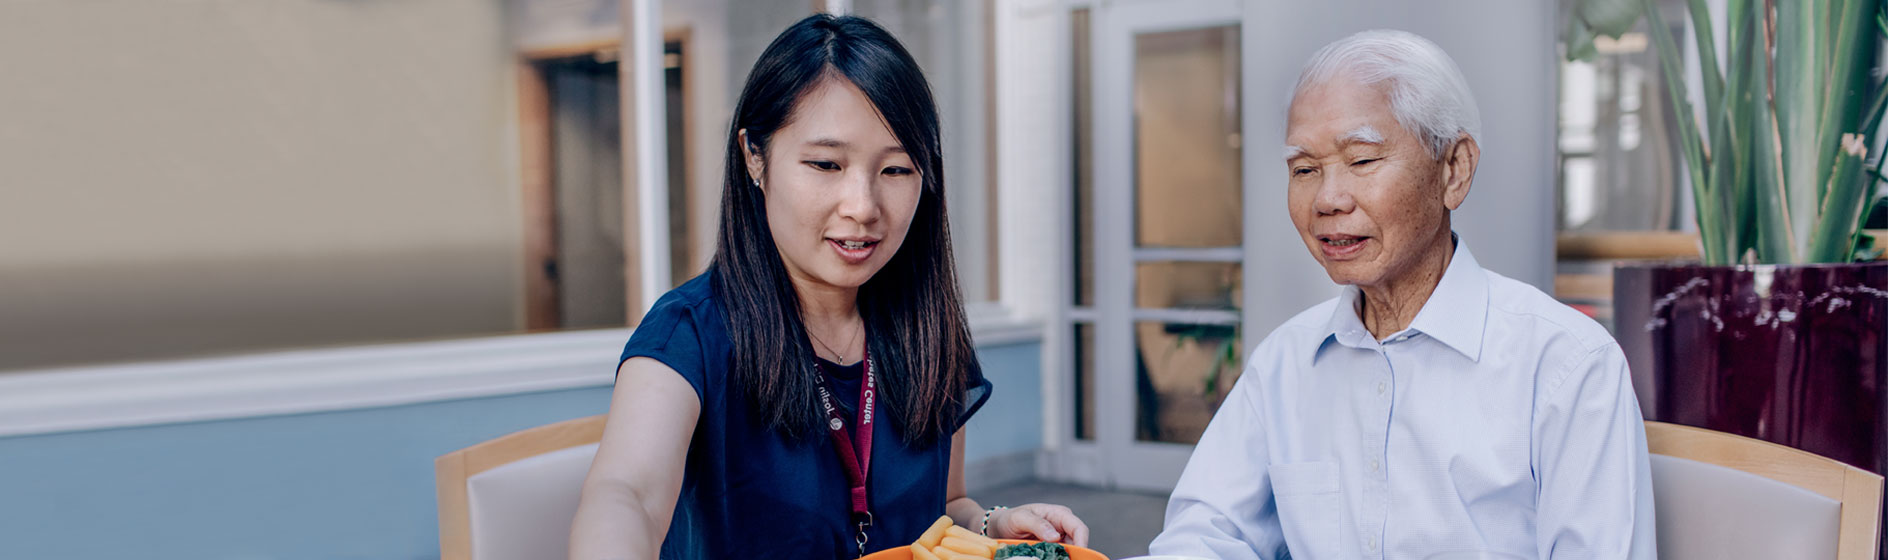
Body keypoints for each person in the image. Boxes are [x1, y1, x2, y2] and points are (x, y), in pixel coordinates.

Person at [567, 14, 1088, 560]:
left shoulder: (926, 329)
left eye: (896, 170)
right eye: (826, 163)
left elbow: (945, 507)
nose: (863, 207)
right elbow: (628, 496)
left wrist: (994, 523)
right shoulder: (691, 333)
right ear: (754, 156)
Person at [1149, 30, 1655, 559]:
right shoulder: (1284, 363)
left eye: (1362, 160)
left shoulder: (1567, 365)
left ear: (1453, 170)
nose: (1327, 199)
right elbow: (1206, 533)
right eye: (1304, 169)